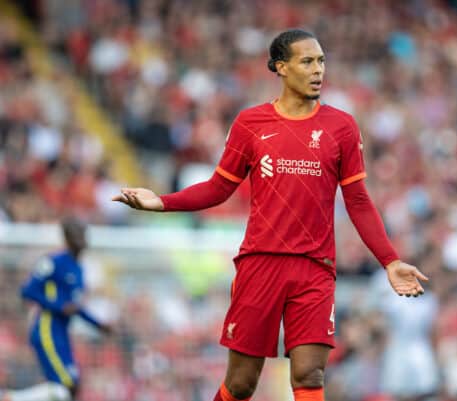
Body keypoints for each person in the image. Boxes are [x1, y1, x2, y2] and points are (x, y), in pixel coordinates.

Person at [112, 29, 429, 401]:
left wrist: (389, 261)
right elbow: (218, 187)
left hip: (315, 267)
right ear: (281, 67)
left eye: (321, 61)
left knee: (310, 374)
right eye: (307, 61)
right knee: (242, 382)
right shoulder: (251, 123)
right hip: (260, 264)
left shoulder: (341, 127)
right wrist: (162, 202)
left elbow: (357, 200)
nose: (318, 70)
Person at [1, 217, 112, 401]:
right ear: (67, 239)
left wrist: (98, 325)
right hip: (47, 329)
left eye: (82, 235)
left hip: (62, 333)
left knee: (70, 388)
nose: (80, 240)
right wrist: (58, 306)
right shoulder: (53, 262)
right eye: (75, 236)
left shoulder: (79, 269)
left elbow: (74, 307)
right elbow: (27, 291)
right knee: (67, 385)